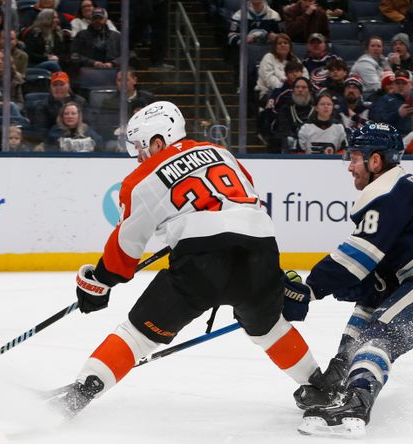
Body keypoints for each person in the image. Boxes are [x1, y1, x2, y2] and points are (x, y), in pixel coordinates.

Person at [48, 100, 326, 419]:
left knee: (139, 334)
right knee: (268, 327)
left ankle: (79, 394)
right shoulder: (222, 153)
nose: (138, 157)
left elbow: (123, 252)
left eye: (140, 147)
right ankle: (320, 385)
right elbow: (245, 200)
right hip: (260, 249)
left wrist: (97, 282)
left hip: (201, 259)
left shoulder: (141, 179)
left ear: (158, 141)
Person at [288, 122, 413, 437]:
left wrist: (308, 289)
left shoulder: (388, 190)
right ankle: (340, 377)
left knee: (379, 334)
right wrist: (324, 290)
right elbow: (374, 279)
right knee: (369, 306)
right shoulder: (400, 190)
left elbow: (357, 257)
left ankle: (356, 402)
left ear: (376, 161)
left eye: (355, 157)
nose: (350, 166)